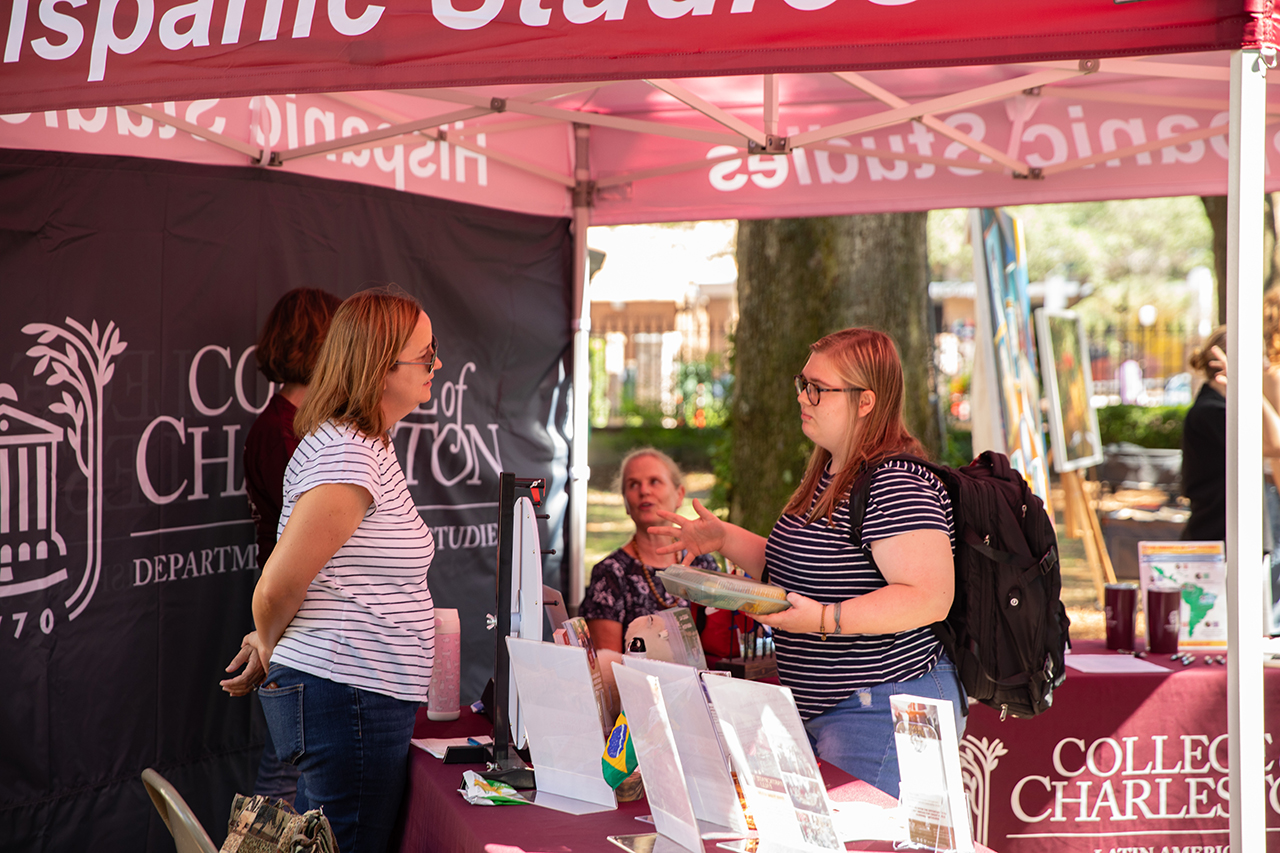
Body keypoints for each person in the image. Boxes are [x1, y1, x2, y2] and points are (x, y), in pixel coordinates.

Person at [650, 327, 962, 798]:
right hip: (836, 710)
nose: (804, 398)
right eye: (803, 383)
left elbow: (929, 598)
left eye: (819, 389)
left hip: (884, 711)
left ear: (865, 402)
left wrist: (822, 619)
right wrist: (724, 538)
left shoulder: (896, 480)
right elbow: (799, 568)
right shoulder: (832, 469)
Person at [220, 288, 440, 853]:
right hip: (350, 695)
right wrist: (269, 642)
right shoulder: (350, 454)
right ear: (380, 365)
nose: (436, 364)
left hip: (354, 694)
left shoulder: (363, 444)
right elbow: (277, 585)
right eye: (426, 354)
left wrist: (271, 639)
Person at [233, 287, 341, 804]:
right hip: (296, 621)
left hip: (300, 619)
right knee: (286, 776)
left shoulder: (300, 427)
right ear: (322, 343)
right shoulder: (282, 432)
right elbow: (301, 548)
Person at [579, 448, 721, 654]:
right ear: (625, 501)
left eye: (654, 481)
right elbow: (607, 669)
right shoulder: (611, 573)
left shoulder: (703, 564)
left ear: (679, 495)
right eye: (633, 484)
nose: (644, 491)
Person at [1180, 325, 1280, 542]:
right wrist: (1247, 386)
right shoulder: (1211, 412)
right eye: (1259, 358)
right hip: (1221, 542)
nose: (1265, 366)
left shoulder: (1223, 408)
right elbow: (1277, 445)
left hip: (1229, 538)